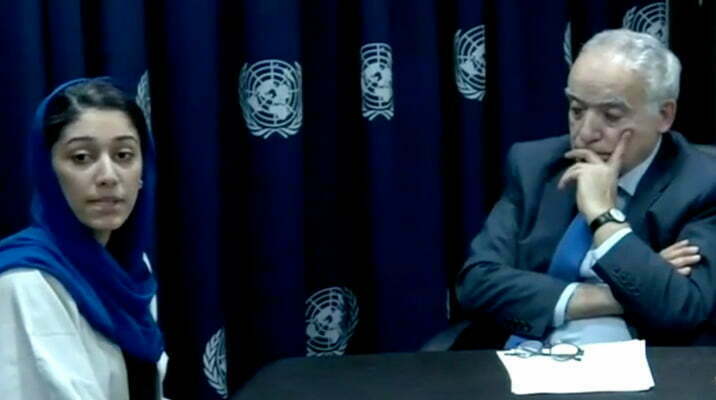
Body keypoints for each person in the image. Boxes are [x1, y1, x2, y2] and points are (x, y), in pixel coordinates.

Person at [455, 29, 716, 349]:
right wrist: (620, 295)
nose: (586, 133)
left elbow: (684, 308)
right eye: (577, 110)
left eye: (611, 116)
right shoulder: (534, 165)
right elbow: (476, 283)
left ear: (664, 115)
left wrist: (604, 217)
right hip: (522, 357)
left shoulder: (703, 184)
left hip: (630, 367)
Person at [0, 78, 168, 399]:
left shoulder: (132, 267)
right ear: (48, 172)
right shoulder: (26, 282)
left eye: (123, 155)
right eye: (81, 157)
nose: (108, 176)